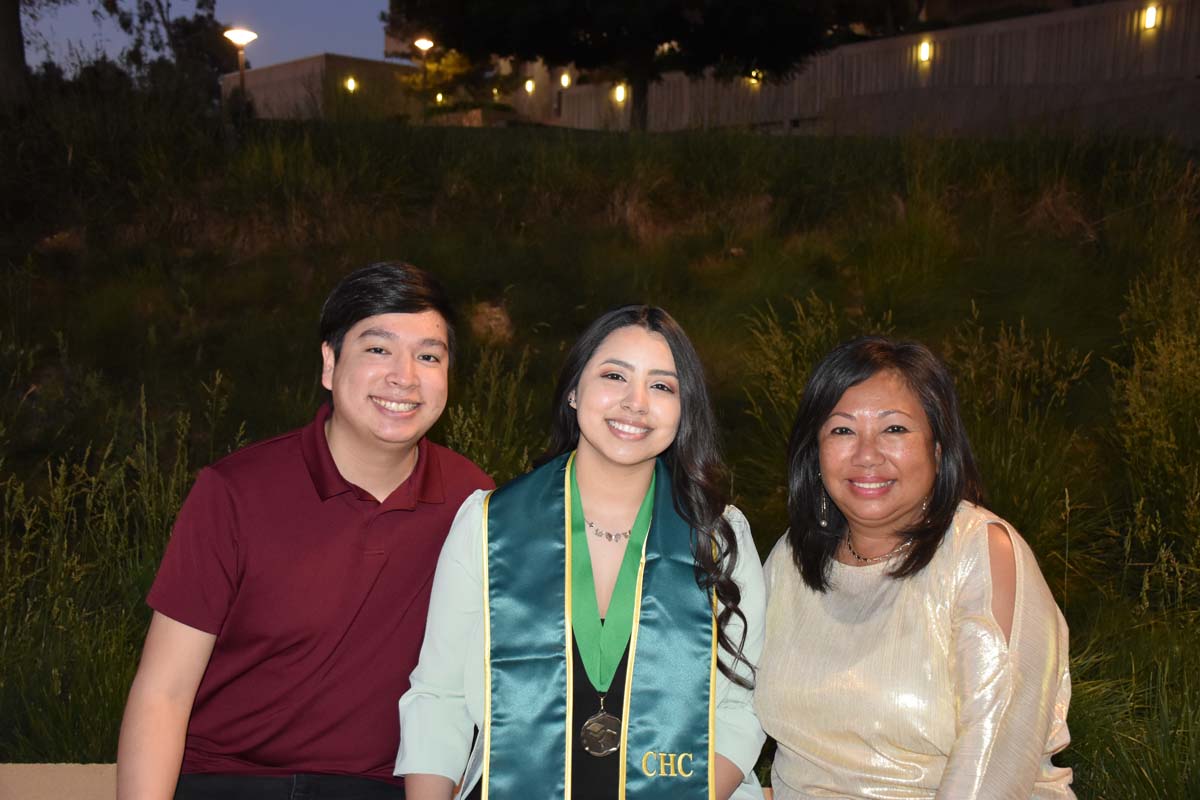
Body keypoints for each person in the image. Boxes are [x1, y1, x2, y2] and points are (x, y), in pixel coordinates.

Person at [117, 262, 494, 800]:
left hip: (379, 786)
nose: (404, 376)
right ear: (329, 363)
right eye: (378, 349)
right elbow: (164, 691)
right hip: (229, 778)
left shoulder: (471, 501)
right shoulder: (235, 492)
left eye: (428, 356)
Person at [396, 305, 767, 800]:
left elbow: (742, 706)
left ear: (684, 410)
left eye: (661, 386)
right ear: (574, 390)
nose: (635, 403)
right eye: (614, 375)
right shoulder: (489, 525)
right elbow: (439, 697)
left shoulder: (719, 537)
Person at [755, 336, 1074, 799]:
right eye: (842, 431)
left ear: (939, 447)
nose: (867, 454)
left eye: (895, 430)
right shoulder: (790, 559)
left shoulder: (981, 552)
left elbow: (994, 763)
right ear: (815, 452)